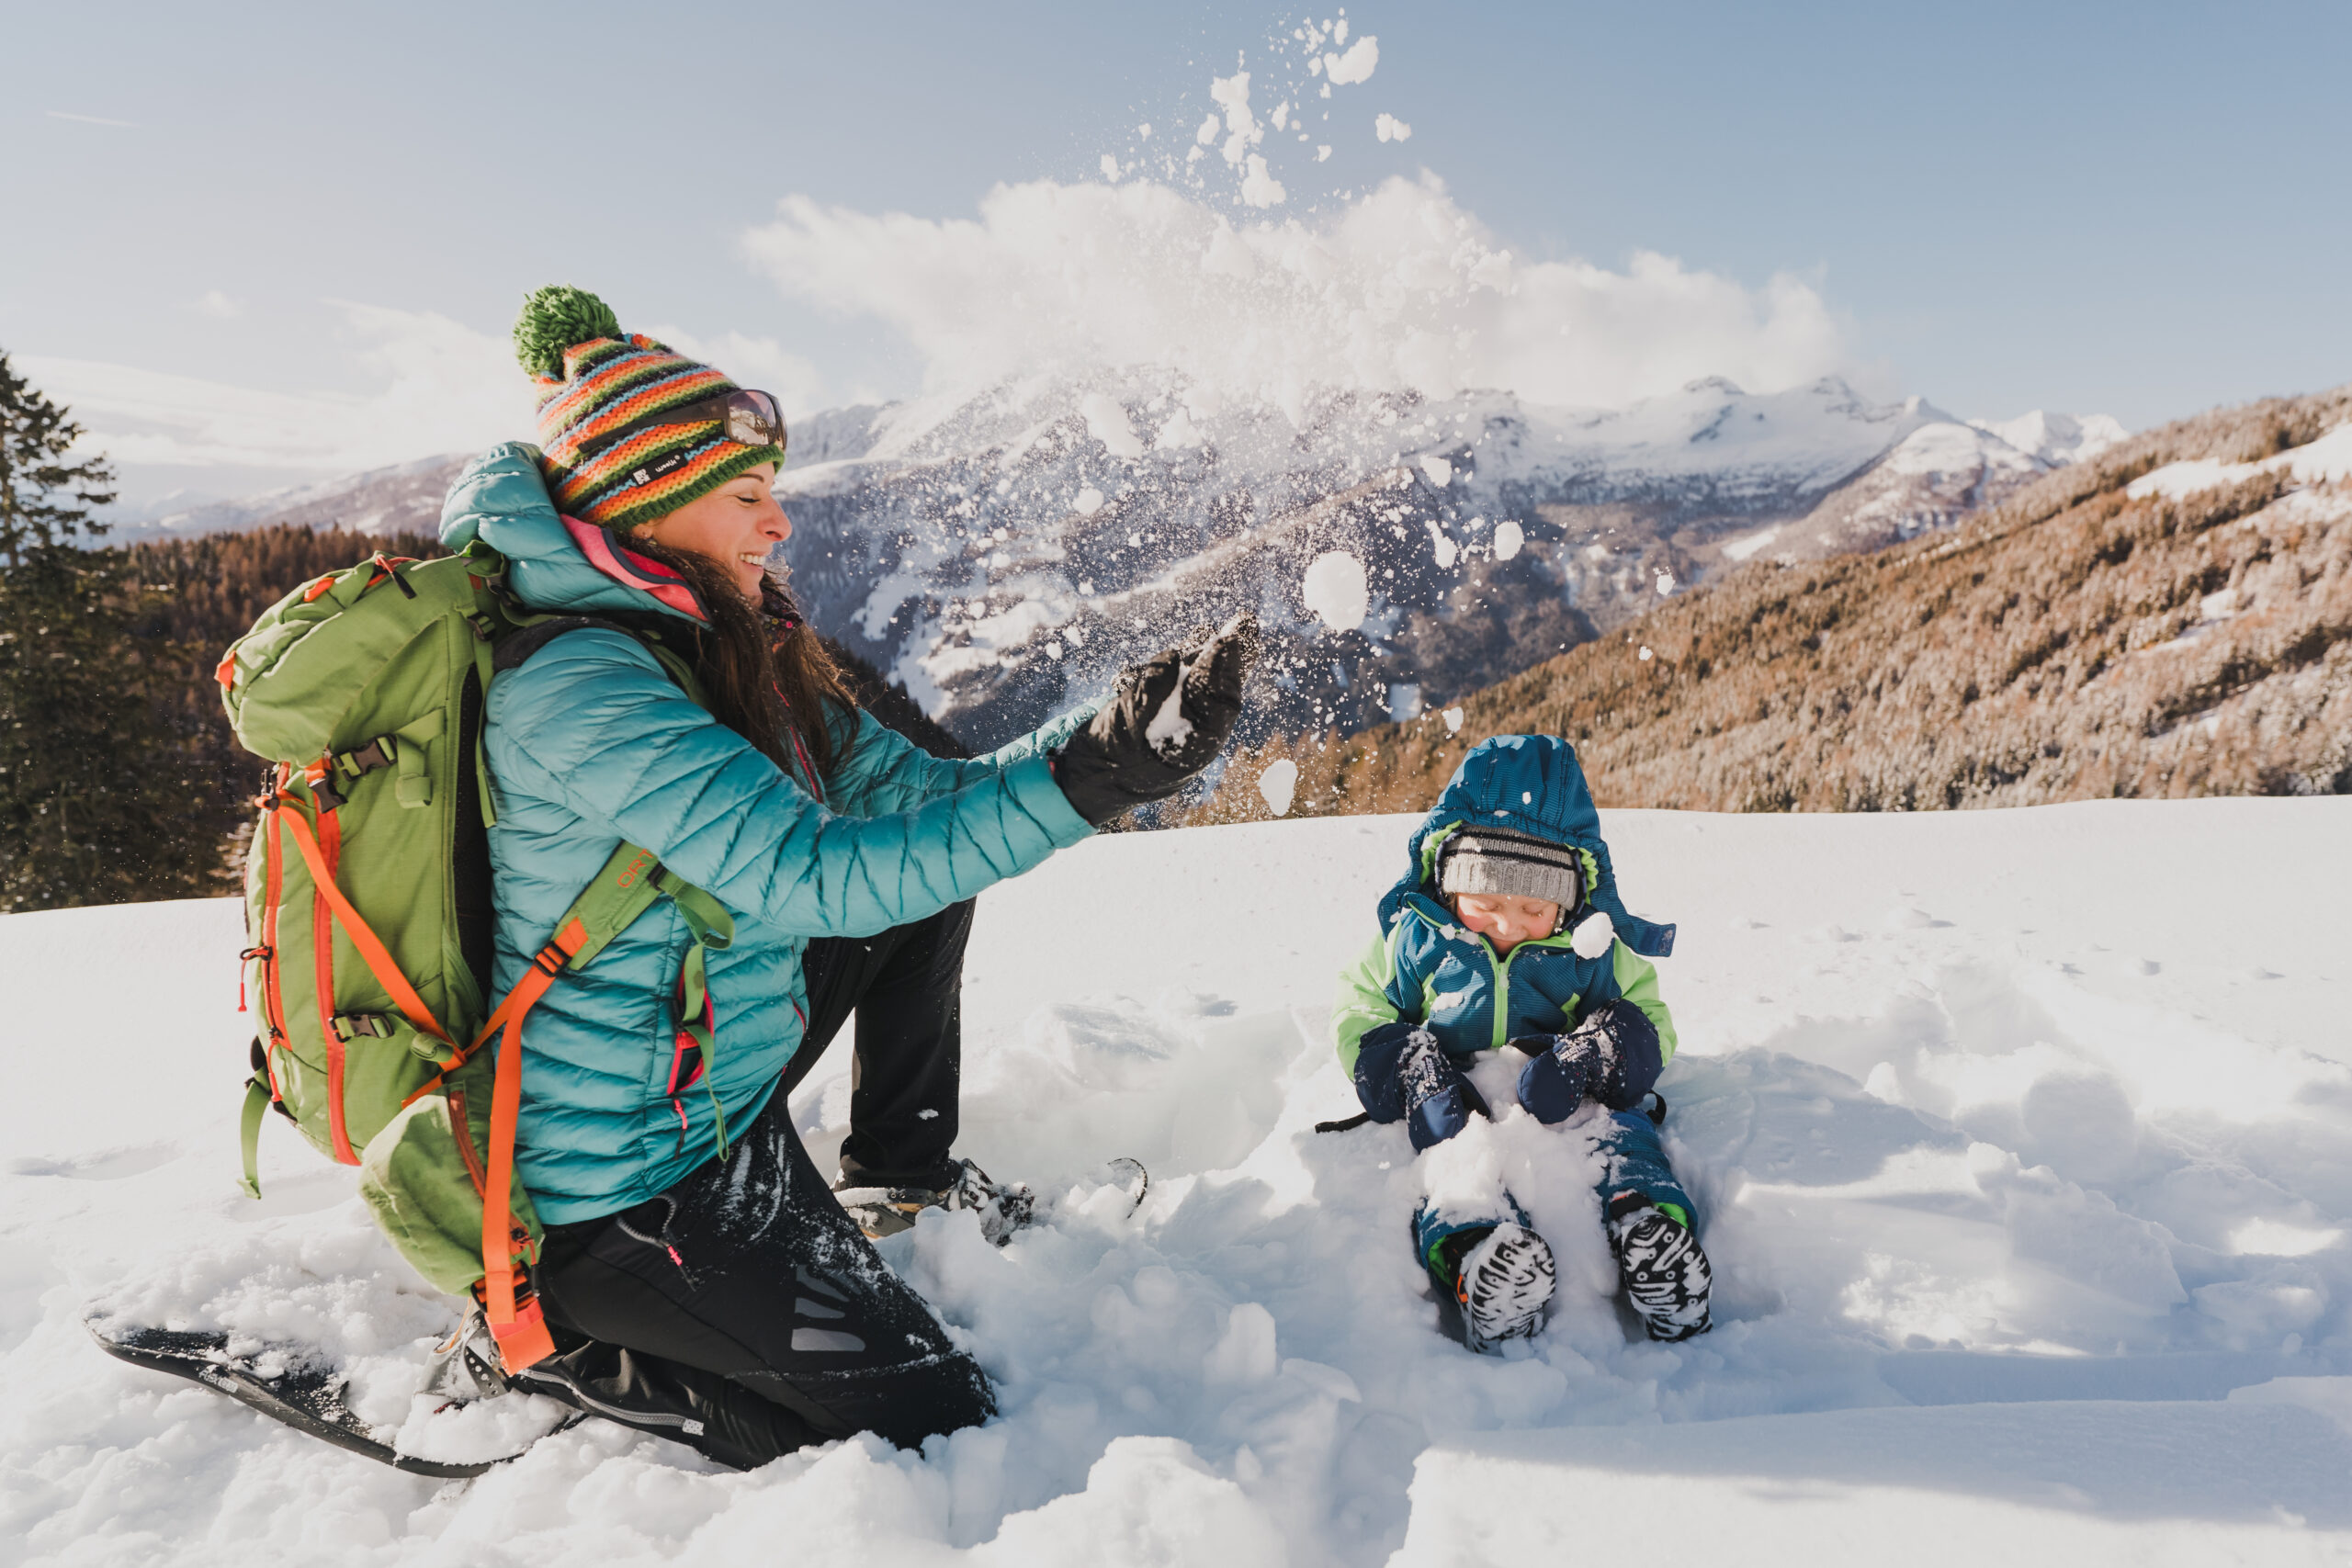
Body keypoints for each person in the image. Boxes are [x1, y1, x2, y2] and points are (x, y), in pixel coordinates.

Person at [438, 286, 1256, 1468]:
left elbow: (919, 798)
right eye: (744, 496)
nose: (778, 524)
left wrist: (1108, 736)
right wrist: (1092, 781)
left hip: (713, 1088)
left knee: (930, 884)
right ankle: (549, 1341)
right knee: (932, 1422)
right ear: (644, 505)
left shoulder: (719, 644)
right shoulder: (583, 689)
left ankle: (898, 1180)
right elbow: (817, 882)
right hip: (621, 1183)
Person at [1330, 734, 1712, 1350]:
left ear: (1569, 900)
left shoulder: (1589, 950)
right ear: (1450, 885)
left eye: (1535, 909)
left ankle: (1653, 1237)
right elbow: (1360, 1005)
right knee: (1456, 1171)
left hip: (1565, 1092)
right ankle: (1481, 1262)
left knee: (1619, 1137)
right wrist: (1409, 1066)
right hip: (1458, 1100)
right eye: (1486, 902)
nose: (1509, 924)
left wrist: (1596, 1053)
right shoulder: (1418, 940)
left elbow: (1647, 1015)